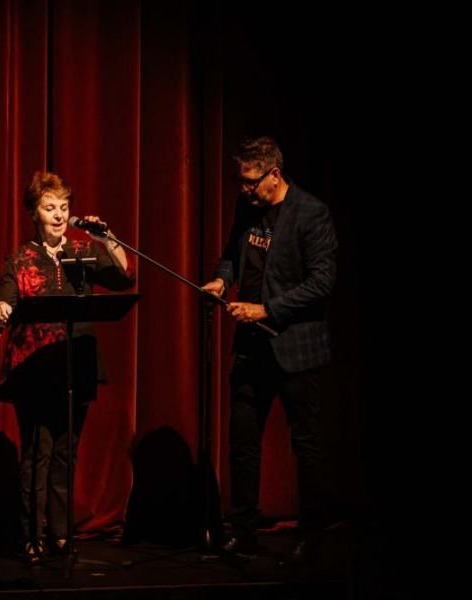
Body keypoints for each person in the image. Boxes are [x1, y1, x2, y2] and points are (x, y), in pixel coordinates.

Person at [203, 136, 337, 564]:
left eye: (251, 181)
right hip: (252, 346)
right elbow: (232, 253)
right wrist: (222, 280)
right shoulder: (249, 208)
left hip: (295, 345)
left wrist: (267, 309)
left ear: (274, 175)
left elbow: (322, 283)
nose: (244, 189)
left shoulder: (311, 213)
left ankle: (312, 535)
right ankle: (243, 530)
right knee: (243, 440)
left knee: (306, 444)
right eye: (240, 181)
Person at [0, 171, 135, 564]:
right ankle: (31, 536)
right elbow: (5, 295)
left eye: (64, 207)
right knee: (37, 452)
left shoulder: (83, 251)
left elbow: (123, 277)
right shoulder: (22, 257)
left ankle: (60, 535)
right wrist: (1, 307)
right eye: (50, 207)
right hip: (35, 367)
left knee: (66, 453)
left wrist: (107, 237)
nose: (58, 214)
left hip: (76, 364)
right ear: (34, 213)